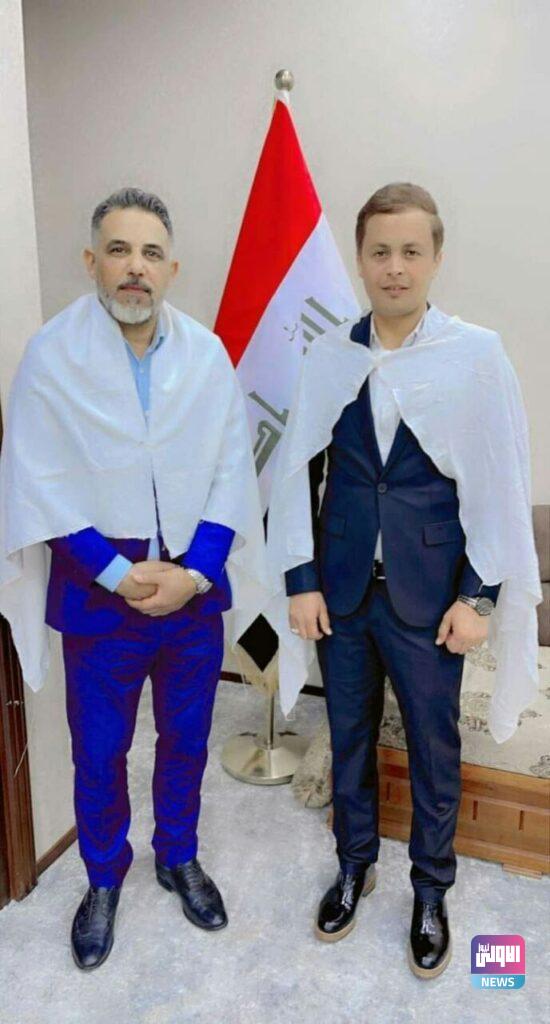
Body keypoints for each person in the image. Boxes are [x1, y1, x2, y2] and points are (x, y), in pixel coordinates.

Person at [265, 183, 540, 979]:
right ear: (360, 260)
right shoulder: (329, 354)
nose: (395, 267)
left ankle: (430, 889)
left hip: (430, 596)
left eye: (410, 251)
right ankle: (354, 865)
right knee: (348, 736)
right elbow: (298, 471)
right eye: (380, 251)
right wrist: (301, 579)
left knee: (432, 746)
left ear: (436, 258)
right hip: (342, 591)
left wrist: (478, 596)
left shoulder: (474, 354)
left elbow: (498, 481)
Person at [0, 188, 267, 971]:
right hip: (99, 596)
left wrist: (197, 572)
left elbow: (230, 470)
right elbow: (39, 483)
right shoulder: (52, 355)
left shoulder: (206, 355)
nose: (135, 268)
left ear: (172, 268)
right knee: (100, 751)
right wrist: (118, 574)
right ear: (92, 261)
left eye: (151, 254)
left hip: (191, 594)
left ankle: (177, 856)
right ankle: (103, 877)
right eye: (119, 250)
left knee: (186, 740)